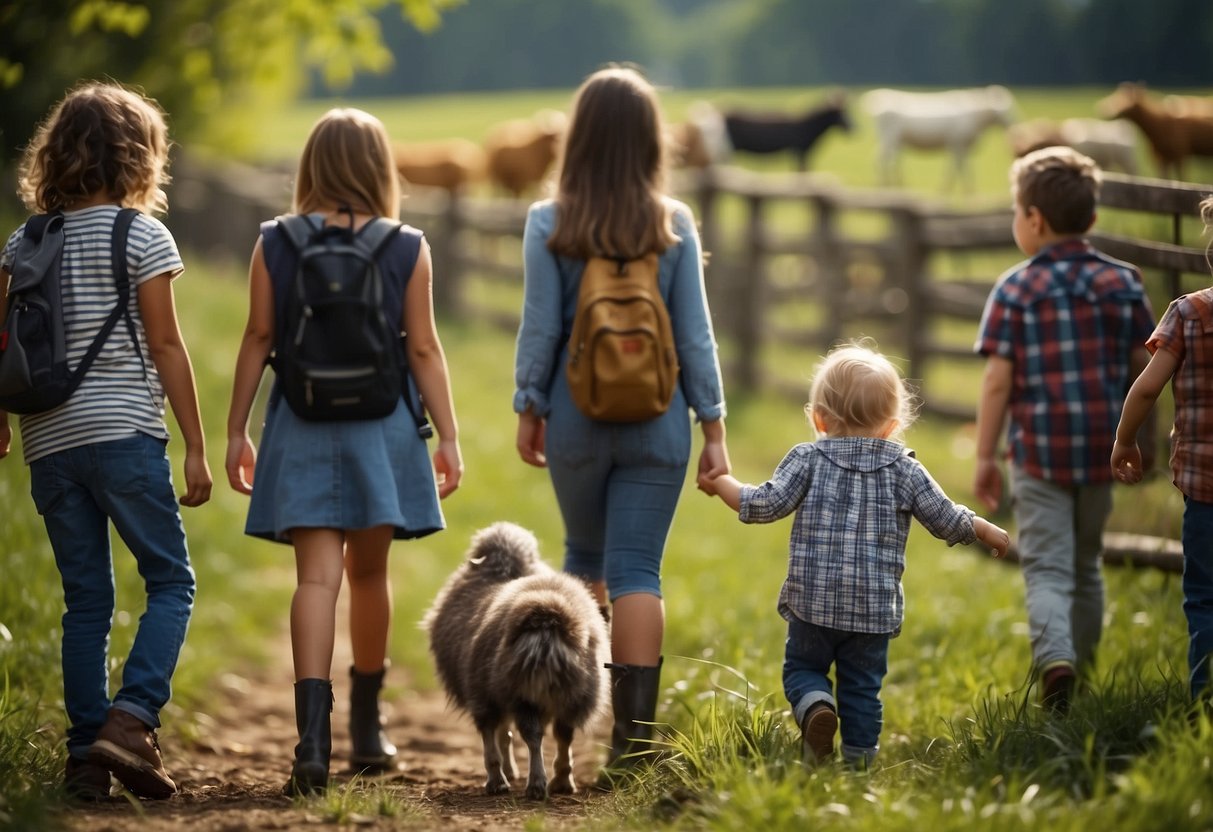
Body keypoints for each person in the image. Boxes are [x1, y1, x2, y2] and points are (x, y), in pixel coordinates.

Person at [225, 107, 463, 795]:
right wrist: (446, 436)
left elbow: (256, 337)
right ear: (379, 169)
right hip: (381, 428)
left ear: (311, 168)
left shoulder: (274, 241)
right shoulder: (405, 244)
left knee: (315, 581)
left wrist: (236, 429)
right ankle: (365, 728)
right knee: (368, 577)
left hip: (299, 423)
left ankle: (308, 744)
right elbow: (422, 347)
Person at [513, 65, 730, 780]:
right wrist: (714, 425)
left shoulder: (549, 223)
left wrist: (529, 407)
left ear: (577, 138)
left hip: (576, 420)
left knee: (582, 565)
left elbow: (541, 331)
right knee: (638, 571)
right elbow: (695, 336)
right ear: (648, 141)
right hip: (660, 423)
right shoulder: (673, 223)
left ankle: (570, 735)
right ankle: (632, 750)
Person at [0, 81, 212, 800]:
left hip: (49, 441)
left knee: (85, 600)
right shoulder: (142, 235)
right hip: (123, 433)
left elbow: (4, 342)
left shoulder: (24, 240)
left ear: (54, 155)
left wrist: (1, 420)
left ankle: (85, 759)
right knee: (171, 581)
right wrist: (195, 445)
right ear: (139, 158)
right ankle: (130, 720)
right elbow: (167, 346)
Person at [698, 342, 1009, 767]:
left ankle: (815, 706)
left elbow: (763, 504)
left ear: (819, 418)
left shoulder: (807, 458)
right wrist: (986, 529)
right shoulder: (906, 469)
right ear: (892, 425)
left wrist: (723, 483)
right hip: (872, 611)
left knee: (802, 670)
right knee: (863, 686)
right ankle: (859, 761)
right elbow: (945, 518)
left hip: (813, 604)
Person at [974, 146, 1155, 713]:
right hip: (1104, 448)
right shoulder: (1123, 283)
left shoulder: (1014, 288)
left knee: (1046, 565)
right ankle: (1085, 668)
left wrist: (985, 455)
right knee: (1087, 564)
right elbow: (1144, 371)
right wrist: (1141, 441)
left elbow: (998, 383)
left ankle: (1057, 662)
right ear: (1092, 220)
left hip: (1038, 455)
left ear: (1033, 220)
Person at [1112, 195, 1213, 708]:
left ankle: (1206, 701)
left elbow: (1147, 388)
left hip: (1205, 490)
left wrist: (1125, 440)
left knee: (1204, 598)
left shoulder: (1189, 313)